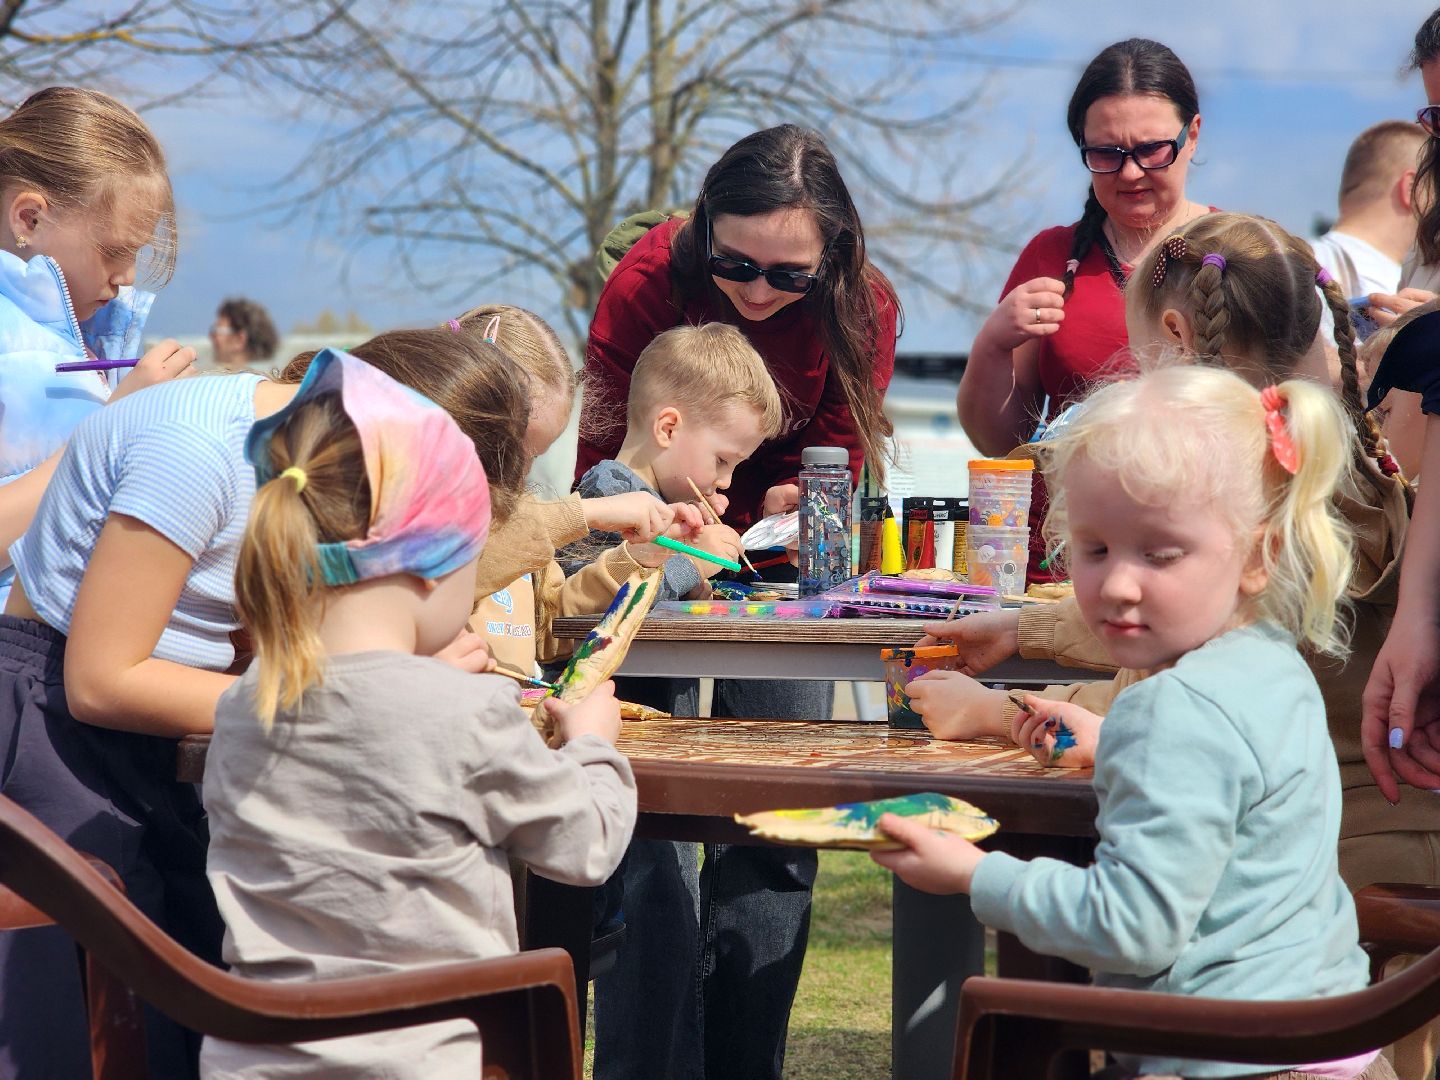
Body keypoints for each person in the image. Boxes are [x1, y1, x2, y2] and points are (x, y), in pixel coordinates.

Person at [0, 328, 529, 1078]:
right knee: (108, 1024)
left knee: (196, 992)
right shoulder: (197, 453)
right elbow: (103, 680)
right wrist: (356, 698)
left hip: (155, 736)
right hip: (54, 731)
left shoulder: (296, 466)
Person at [876, 363, 1395, 1080]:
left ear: (1260, 556)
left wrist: (974, 874)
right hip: (1324, 1046)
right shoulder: (1270, 664)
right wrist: (1111, 738)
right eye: (1095, 550)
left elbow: (1132, 928)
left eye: (1160, 553)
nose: (1118, 584)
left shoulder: (1172, 708)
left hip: (1224, 1060)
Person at [199, 349, 635, 1078]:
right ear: (433, 564)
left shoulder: (246, 703)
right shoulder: (465, 710)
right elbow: (584, 847)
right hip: (430, 1060)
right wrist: (593, 743)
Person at [578, 123, 899, 1079]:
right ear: (703, 229)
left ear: (833, 258)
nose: (758, 293)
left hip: (776, 567)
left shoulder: (864, 308)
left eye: (788, 275)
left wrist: (795, 505)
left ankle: (743, 1063)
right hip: (655, 557)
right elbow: (608, 451)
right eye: (735, 265)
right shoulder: (644, 281)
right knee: (646, 826)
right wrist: (658, 526)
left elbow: (841, 453)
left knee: (776, 822)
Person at [574, 322, 781, 1080]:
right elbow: (606, 605)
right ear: (668, 427)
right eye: (722, 461)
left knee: (666, 922)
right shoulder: (609, 497)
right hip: (618, 761)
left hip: (645, 759)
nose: (725, 482)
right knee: (650, 927)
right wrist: (697, 566)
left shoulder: (653, 503)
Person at [957, 38, 1209, 458]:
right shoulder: (1051, 257)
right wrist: (992, 345)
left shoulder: (1241, 251)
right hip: (1066, 502)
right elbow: (999, 442)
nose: (1130, 172)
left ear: (1193, 135)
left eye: (1151, 150)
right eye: (1106, 154)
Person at [0, 85, 196, 608]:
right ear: (29, 218)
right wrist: (110, 429)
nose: (126, 277)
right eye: (113, 251)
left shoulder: (92, 339)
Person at [450, 304, 701, 674]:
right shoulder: (432, 520)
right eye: (510, 451)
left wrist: (635, 560)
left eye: (535, 454)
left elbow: (550, 630)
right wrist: (588, 512)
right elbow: (477, 555)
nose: (522, 470)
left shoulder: (525, 514)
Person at [209, 296, 279, 371]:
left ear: (239, 339)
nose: (211, 336)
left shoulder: (234, 378)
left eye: (217, 330)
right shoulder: (270, 375)